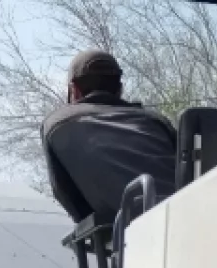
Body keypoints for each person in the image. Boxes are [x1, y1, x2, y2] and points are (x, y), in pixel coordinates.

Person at [41, 49, 178, 225]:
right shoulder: (155, 120)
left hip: (125, 230)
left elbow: (68, 196)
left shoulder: (56, 124)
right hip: (183, 215)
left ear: (74, 90)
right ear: (120, 89)